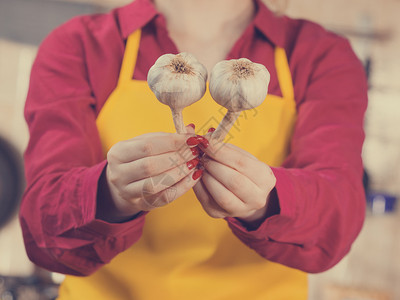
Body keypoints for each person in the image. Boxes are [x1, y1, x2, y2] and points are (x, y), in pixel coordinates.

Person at [20, 0, 368, 299]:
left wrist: (266, 202)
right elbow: (41, 228)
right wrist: (110, 193)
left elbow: (338, 219)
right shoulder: (78, 45)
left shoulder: (320, 55)